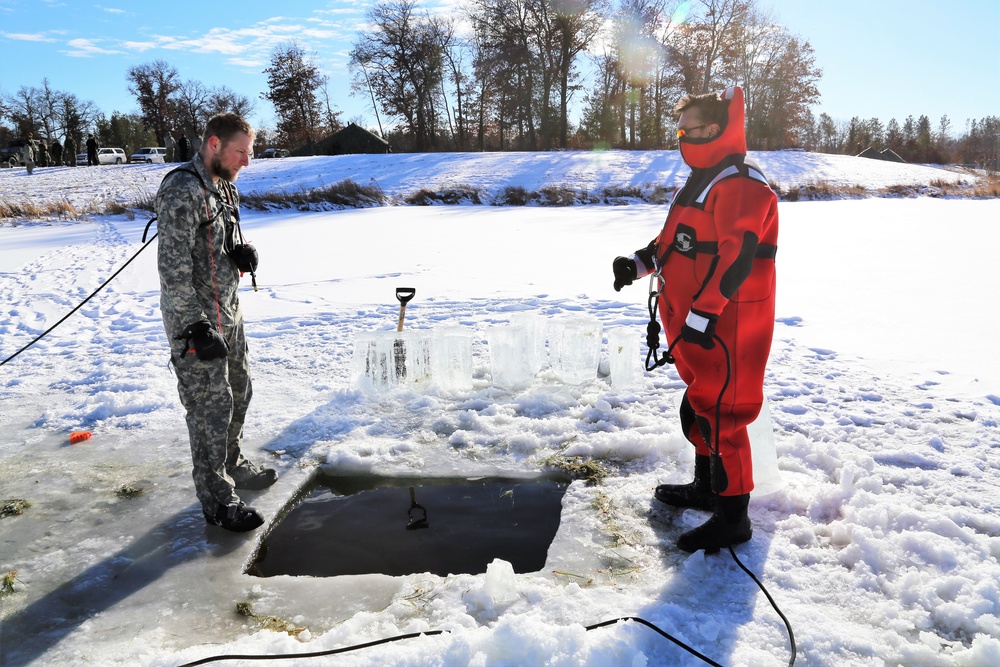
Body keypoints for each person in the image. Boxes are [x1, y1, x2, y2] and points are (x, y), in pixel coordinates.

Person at [612, 86, 778, 553]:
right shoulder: (703, 178)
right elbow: (675, 241)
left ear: (716, 129)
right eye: (678, 129)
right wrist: (640, 263)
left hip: (727, 326)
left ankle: (734, 518)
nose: (681, 136)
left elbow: (737, 259)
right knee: (700, 405)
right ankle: (708, 487)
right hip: (692, 323)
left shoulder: (741, 181)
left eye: (688, 128)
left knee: (724, 415)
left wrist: (704, 316)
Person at [156, 112, 274, 533]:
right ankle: (217, 502)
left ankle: (231, 462)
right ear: (213, 144)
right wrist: (195, 326)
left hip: (229, 311)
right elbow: (172, 271)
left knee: (240, 390)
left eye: (250, 152)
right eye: (241, 152)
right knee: (210, 409)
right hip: (197, 324)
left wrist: (239, 252)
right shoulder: (182, 190)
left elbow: (214, 242)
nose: (247, 161)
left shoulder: (224, 186)